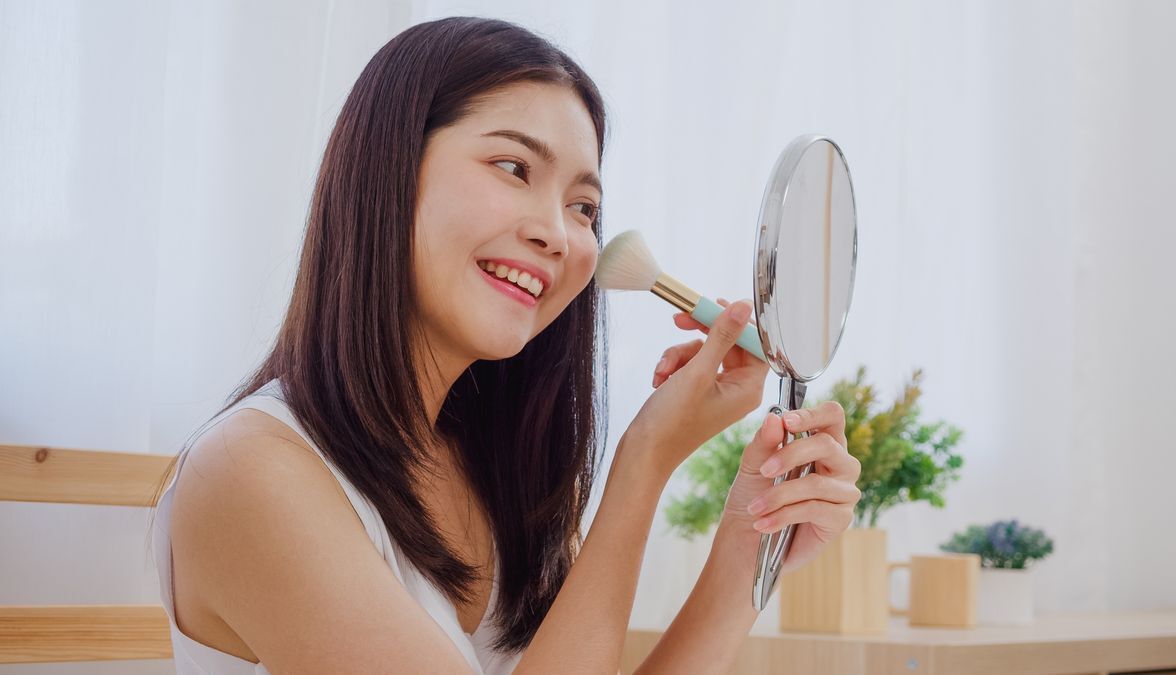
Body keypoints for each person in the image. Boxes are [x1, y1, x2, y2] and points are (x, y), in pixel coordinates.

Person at [150, 15, 861, 675]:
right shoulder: (250, 470)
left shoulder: (503, 477)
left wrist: (745, 549)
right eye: (514, 168)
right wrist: (642, 463)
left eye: (583, 206)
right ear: (389, 170)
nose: (558, 231)